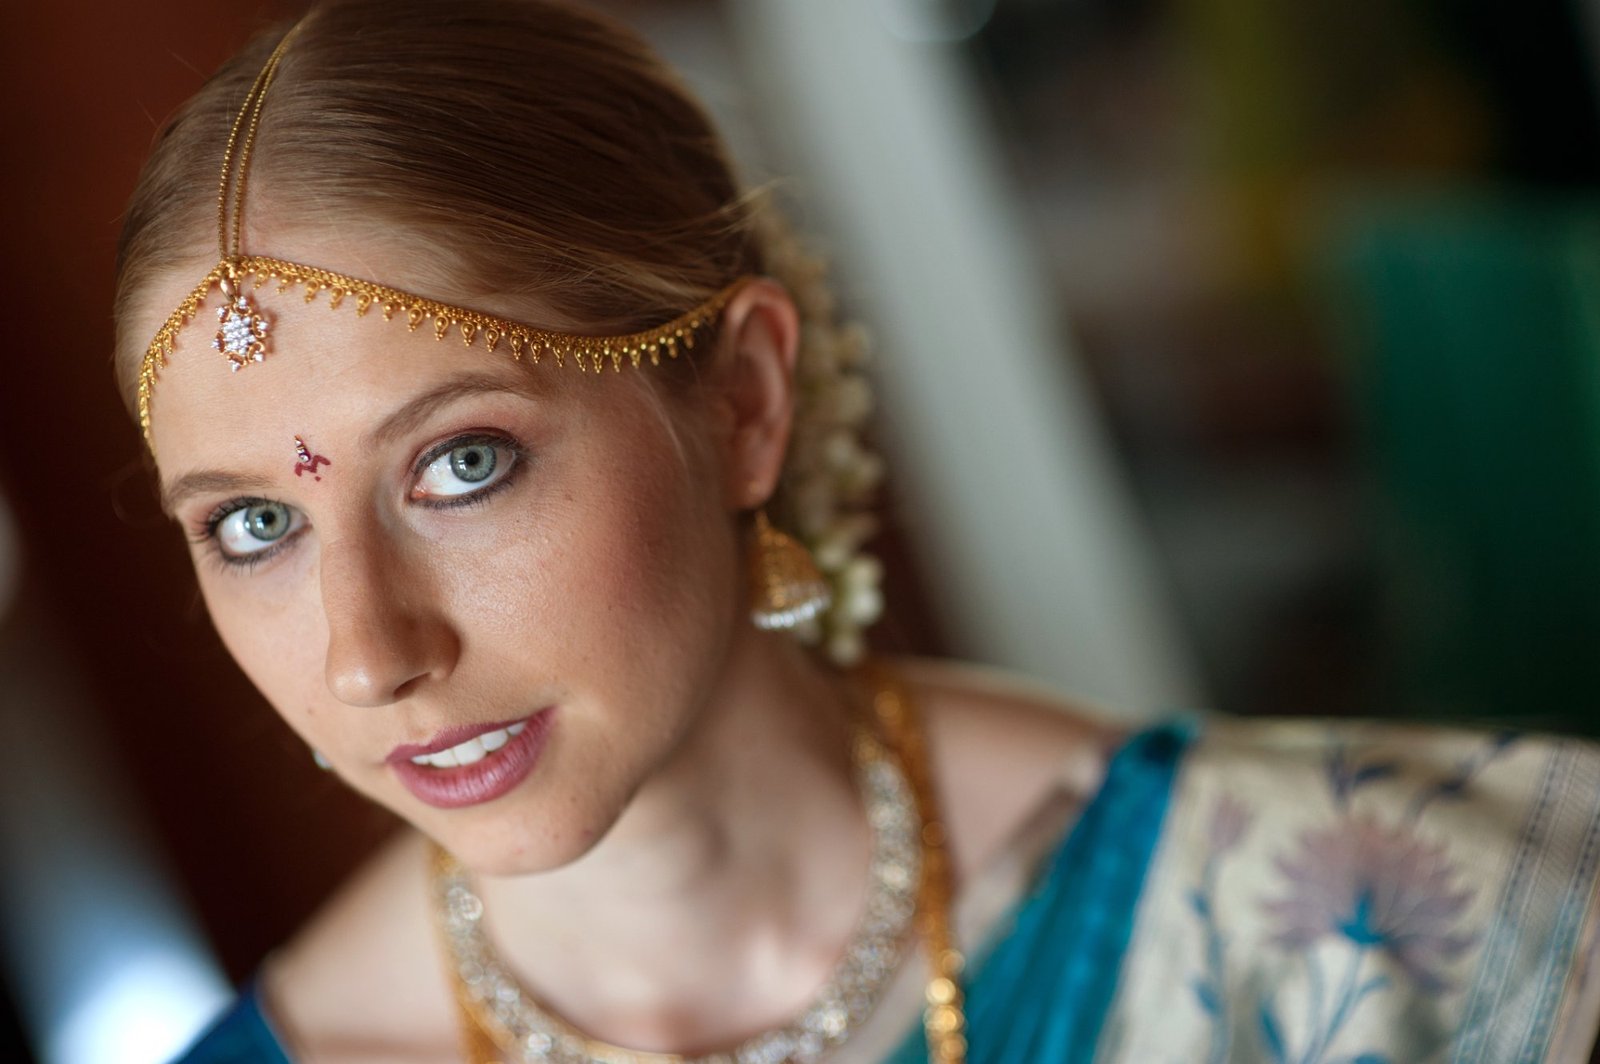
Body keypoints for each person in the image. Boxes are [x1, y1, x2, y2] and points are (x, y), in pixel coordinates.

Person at [116, 2, 1600, 1061]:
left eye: (462, 463)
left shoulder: (1358, 925)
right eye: (255, 522)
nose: (368, 653)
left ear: (744, 401)